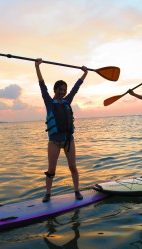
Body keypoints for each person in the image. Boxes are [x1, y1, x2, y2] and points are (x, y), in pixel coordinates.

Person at [35, 58, 88, 202]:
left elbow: (76, 88)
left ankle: (77, 191)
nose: (63, 92)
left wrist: (85, 74)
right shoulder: (49, 102)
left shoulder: (67, 101)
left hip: (68, 141)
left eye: (64, 90)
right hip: (54, 142)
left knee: (73, 167)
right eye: (60, 90)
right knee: (51, 170)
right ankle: (48, 194)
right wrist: (37, 67)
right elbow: (42, 86)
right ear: (55, 90)